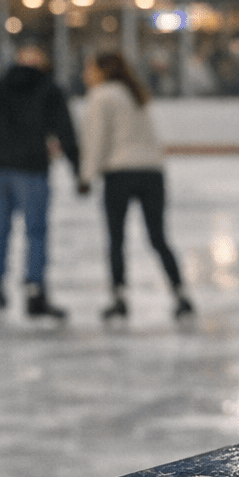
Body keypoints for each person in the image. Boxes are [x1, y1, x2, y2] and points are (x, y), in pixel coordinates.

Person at [0, 44, 82, 320]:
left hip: (0, 169)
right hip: (32, 169)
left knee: (1, 229)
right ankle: (34, 291)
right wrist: (78, 169)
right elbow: (65, 130)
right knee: (36, 231)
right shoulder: (49, 88)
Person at [78, 52, 193, 322]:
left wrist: (86, 176)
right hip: (152, 172)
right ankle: (181, 295)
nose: (86, 74)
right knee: (158, 237)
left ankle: (119, 298)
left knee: (116, 239)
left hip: (120, 173)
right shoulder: (136, 94)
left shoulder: (102, 95)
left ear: (101, 71)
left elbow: (96, 139)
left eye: (90, 67)